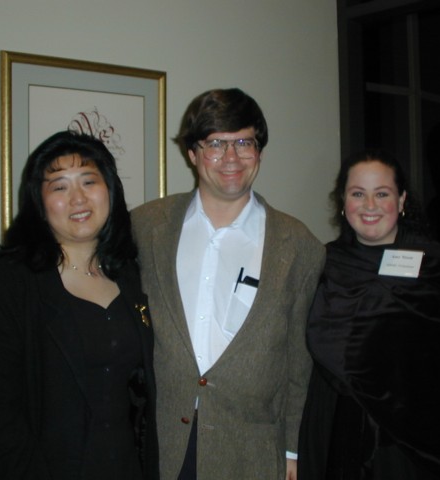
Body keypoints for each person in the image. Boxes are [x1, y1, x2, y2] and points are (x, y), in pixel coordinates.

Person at [131, 88, 326, 480]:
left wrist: (291, 449)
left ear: (260, 152)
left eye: (243, 142)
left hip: (250, 451)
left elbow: (298, 362)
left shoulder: (299, 245)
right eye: (216, 143)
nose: (231, 157)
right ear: (193, 154)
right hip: (160, 442)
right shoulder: (145, 227)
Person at [297, 149, 440, 479]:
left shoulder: (439, 270)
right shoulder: (324, 265)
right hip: (341, 425)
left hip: (416, 441)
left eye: (381, 194)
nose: (369, 206)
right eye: (358, 194)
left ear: (400, 201)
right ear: (343, 202)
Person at [0, 131, 158, 480]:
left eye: (89, 181)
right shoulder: (2, 291)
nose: (78, 198)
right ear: (39, 201)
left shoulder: (135, 279)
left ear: (110, 189)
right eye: (59, 186)